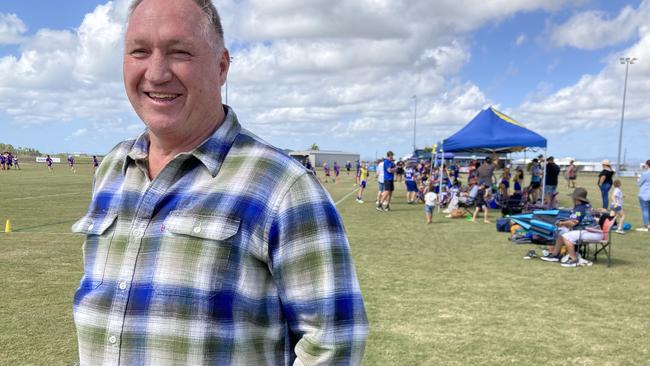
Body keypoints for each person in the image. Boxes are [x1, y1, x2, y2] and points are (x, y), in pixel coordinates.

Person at [71, 1, 367, 364]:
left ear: (222, 66)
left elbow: (333, 343)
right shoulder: (113, 168)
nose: (157, 72)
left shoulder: (282, 185)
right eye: (140, 51)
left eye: (179, 52)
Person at [541, 187, 593, 267]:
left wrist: (562, 223)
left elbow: (573, 222)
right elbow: (576, 220)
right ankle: (555, 255)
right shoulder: (585, 206)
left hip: (585, 231)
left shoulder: (579, 209)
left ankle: (573, 259)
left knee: (563, 234)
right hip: (588, 230)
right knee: (562, 235)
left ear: (576, 198)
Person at [637, 159, 650, 232]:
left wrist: (641, 171)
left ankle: (646, 226)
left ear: (647, 165)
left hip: (645, 194)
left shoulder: (645, 173)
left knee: (645, 210)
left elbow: (639, 183)